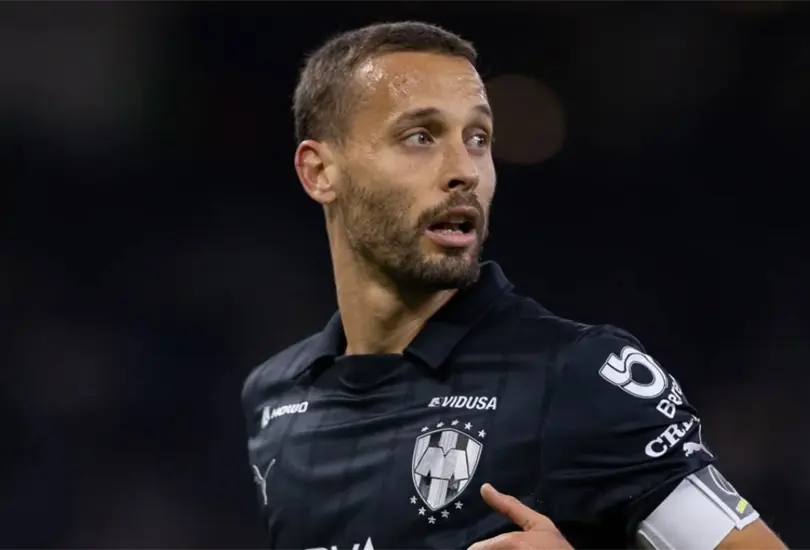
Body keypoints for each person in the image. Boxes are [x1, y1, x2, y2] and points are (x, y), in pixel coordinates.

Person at [241, 21, 787, 550]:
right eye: (419, 136)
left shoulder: (579, 376)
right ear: (319, 172)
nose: (466, 170)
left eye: (478, 138)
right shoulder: (275, 400)